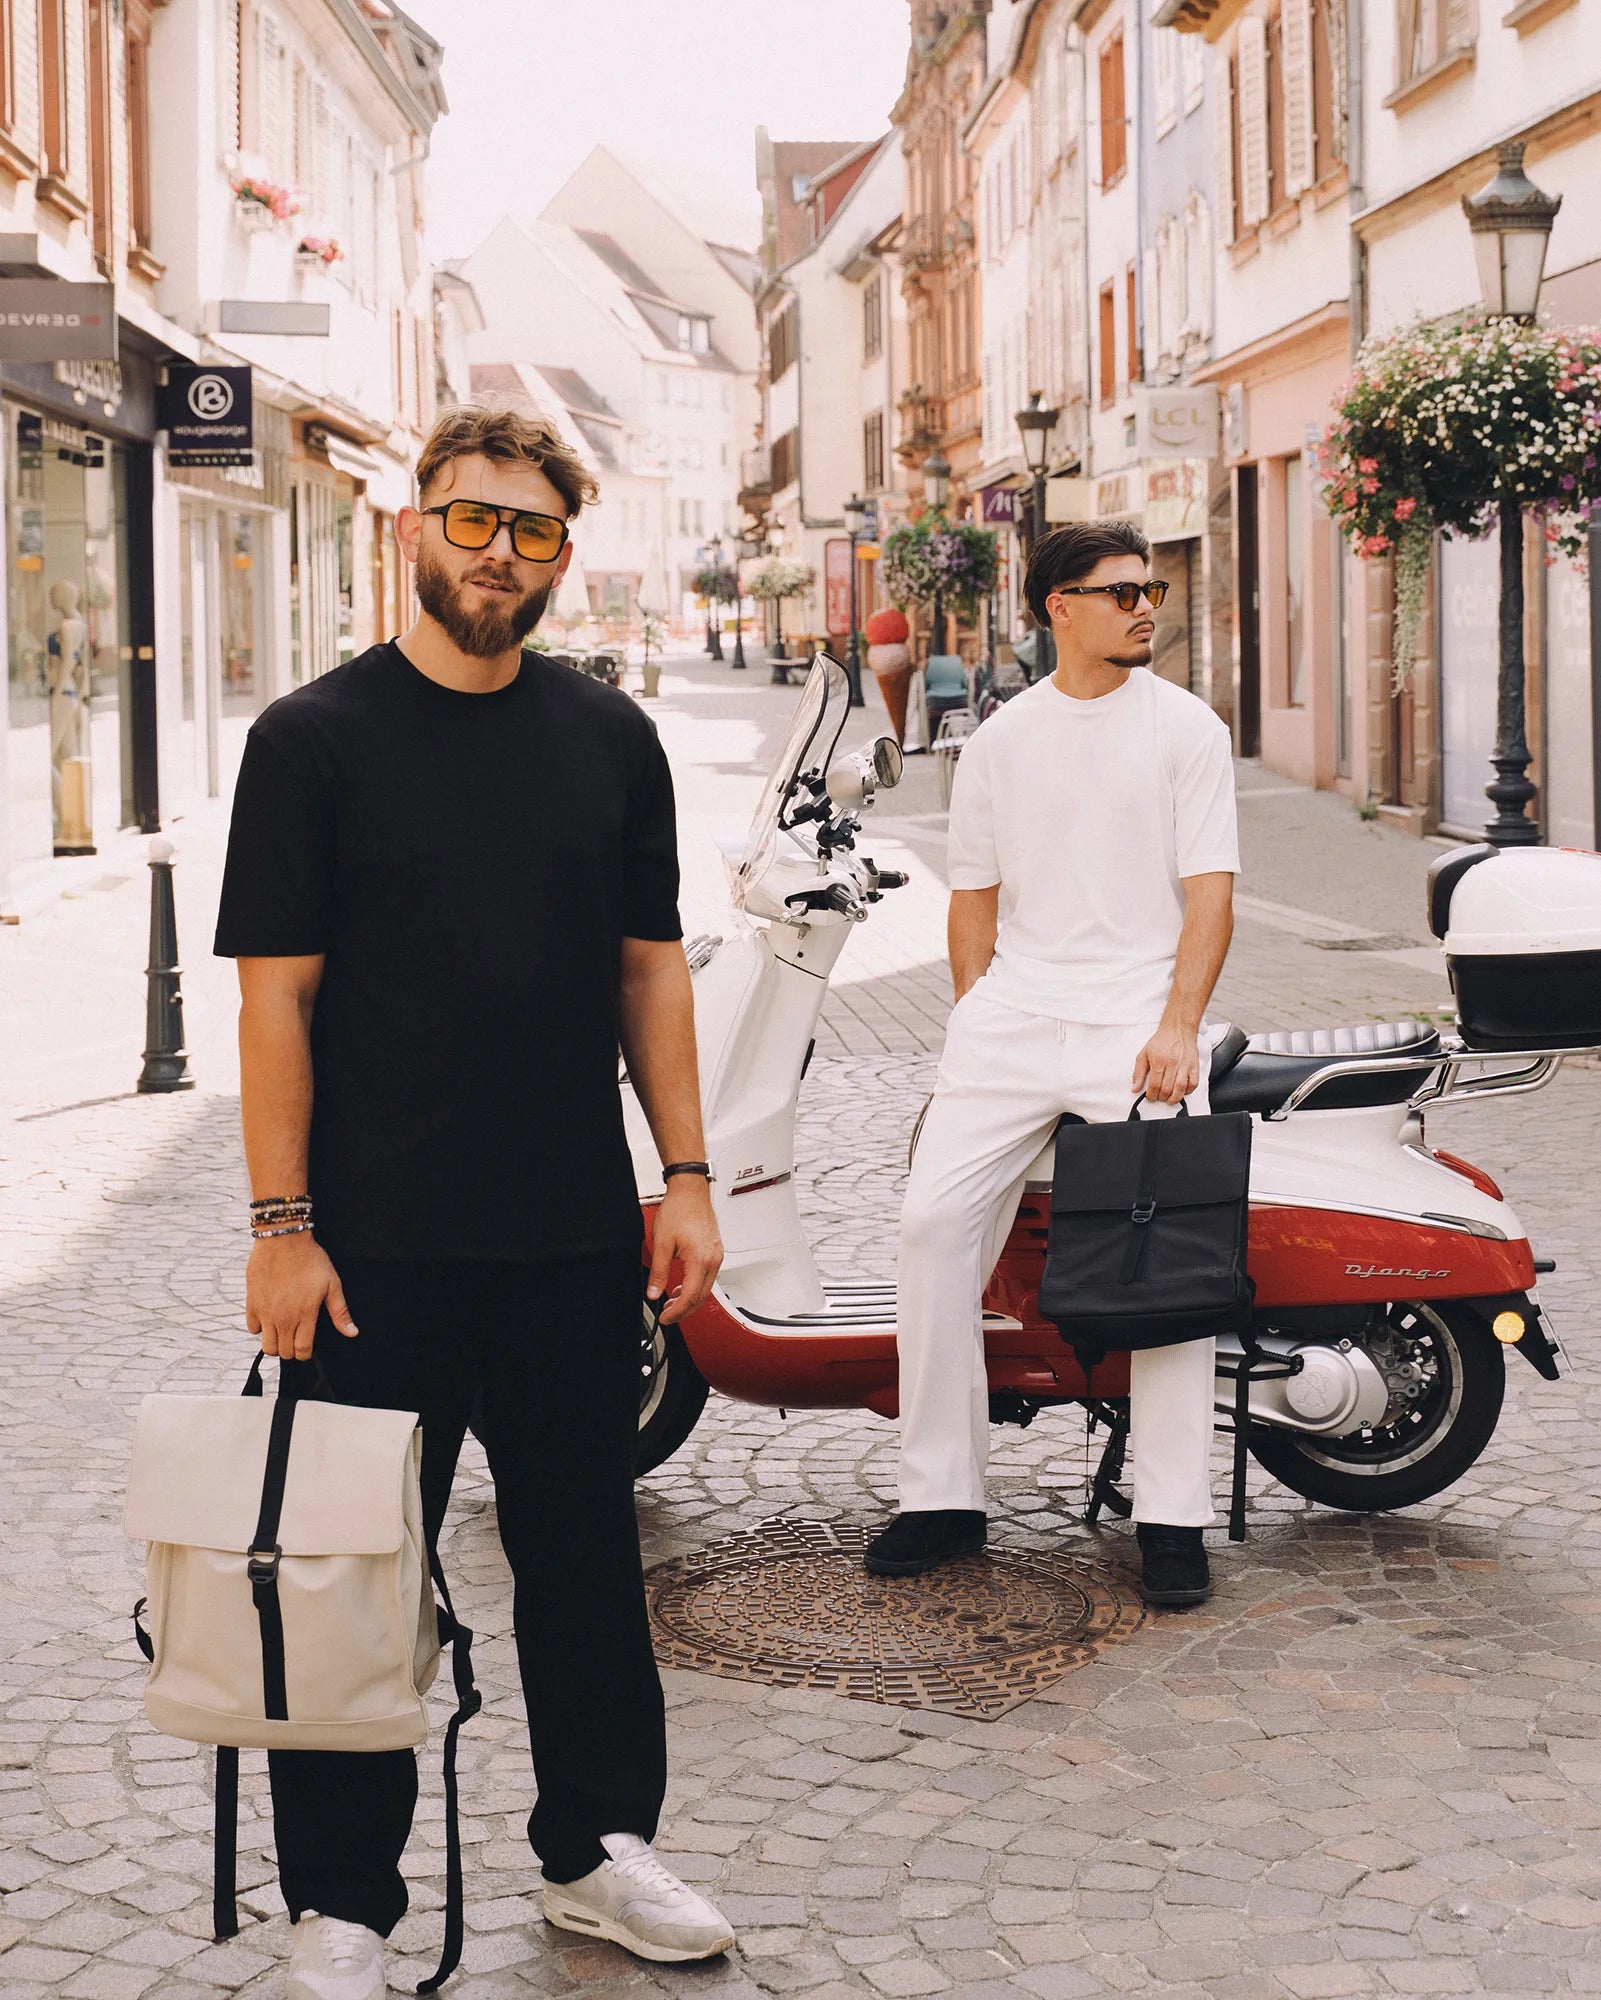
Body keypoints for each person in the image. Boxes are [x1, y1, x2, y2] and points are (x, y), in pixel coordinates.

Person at [215, 403, 736, 2000]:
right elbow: (275, 1005)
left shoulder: (608, 739)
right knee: (353, 1571)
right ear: (412, 528)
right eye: (472, 520)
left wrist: (689, 1176)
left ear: (564, 556)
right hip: (371, 1257)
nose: (499, 554)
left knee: (584, 1562)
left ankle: (591, 1851)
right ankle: (343, 1909)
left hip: (574, 1236)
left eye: (532, 531)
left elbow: (651, 972)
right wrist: (282, 1230)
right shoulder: (310, 744)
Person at [865, 521, 1239, 1610]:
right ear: (1053, 608)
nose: (1143, 607)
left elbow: (1208, 892)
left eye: (1149, 589)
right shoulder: (998, 742)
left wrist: (1178, 1024)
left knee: (1168, 1255)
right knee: (931, 1228)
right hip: (1014, 1018)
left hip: (1137, 1019)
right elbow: (969, 901)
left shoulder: (1186, 729)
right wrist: (979, 1017)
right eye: (1118, 591)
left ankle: (1170, 1515)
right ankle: (942, 1493)